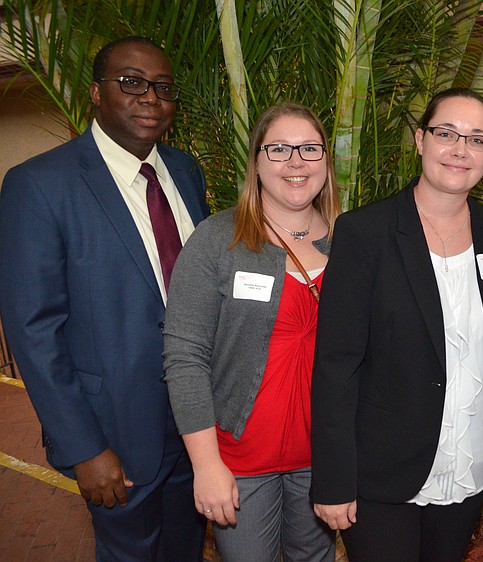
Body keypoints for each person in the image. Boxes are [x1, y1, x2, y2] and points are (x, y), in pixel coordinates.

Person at [0, 37, 209, 560]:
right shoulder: (40, 185)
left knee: (185, 547)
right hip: (115, 429)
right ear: (96, 93)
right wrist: (84, 447)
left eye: (163, 88)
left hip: (198, 424)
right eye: (132, 83)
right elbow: (33, 330)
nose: (150, 98)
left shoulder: (185, 172)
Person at [310, 88, 483, 562]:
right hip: (383, 474)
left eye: (477, 139)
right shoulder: (366, 232)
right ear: (420, 140)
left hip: (467, 466)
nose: (460, 150)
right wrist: (334, 479)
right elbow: (336, 366)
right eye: (447, 134)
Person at [163, 102, 338, 561]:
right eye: (279, 149)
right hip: (238, 461)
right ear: (257, 162)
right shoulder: (218, 240)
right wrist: (206, 465)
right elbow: (184, 357)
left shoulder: (353, 240)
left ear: (326, 161)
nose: (296, 162)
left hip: (325, 458)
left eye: (309, 149)